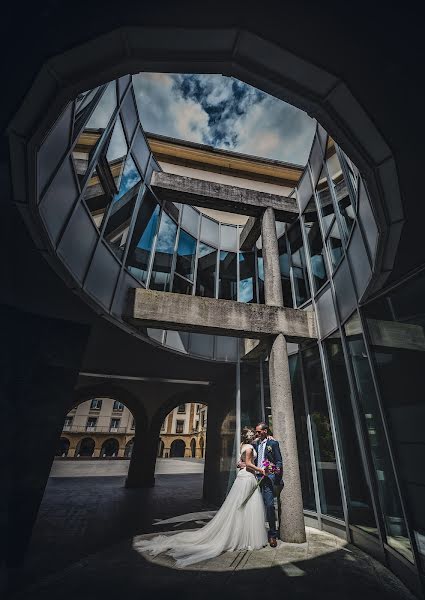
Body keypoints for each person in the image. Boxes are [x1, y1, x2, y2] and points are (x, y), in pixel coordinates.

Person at [134, 427, 268, 568]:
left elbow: (242, 463)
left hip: (243, 478)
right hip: (247, 478)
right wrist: (261, 469)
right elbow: (247, 464)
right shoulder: (249, 448)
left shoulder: (243, 446)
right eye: (254, 435)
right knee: (246, 507)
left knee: (239, 507)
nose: (256, 436)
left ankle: (241, 535)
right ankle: (244, 536)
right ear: (250, 437)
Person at [238, 422, 283, 547]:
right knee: (255, 507)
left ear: (265, 431)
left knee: (269, 505)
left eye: (258, 432)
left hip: (267, 479)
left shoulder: (273, 443)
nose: (257, 434)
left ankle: (272, 535)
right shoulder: (254, 443)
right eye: (256, 432)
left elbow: (278, 461)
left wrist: (275, 472)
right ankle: (256, 533)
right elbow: (246, 458)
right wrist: (241, 463)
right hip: (254, 477)